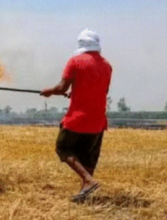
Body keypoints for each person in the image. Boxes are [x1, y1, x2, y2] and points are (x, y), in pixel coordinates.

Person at [40, 28, 112, 201]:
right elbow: (103, 91)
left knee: (63, 148)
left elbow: (62, 88)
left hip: (78, 119)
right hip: (98, 121)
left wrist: (50, 91)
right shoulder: (107, 66)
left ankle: (88, 181)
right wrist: (77, 92)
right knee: (88, 156)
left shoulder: (75, 61)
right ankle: (85, 193)